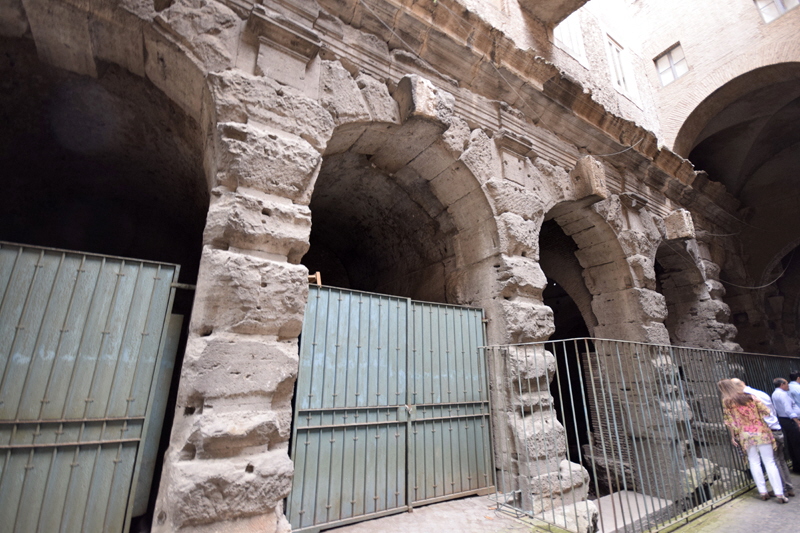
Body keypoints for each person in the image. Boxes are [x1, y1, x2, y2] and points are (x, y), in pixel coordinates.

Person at [718, 379, 787, 503]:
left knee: (753, 462)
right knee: (770, 462)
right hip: (761, 431)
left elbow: (729, 421)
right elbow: (767, 411)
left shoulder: (727, 402)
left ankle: (762, 491)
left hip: (745, 435)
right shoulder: (750, 397)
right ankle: (779, 493)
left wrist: (733, 436)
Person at [731, 378, 794, 496]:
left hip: (766, 431)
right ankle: (788, 487)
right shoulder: (759, 393)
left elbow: (764, 414)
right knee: (780, 459)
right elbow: (770, 412)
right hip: (776, 428)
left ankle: (781, 490)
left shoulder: (748, 397)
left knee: (771, 461)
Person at [772, 377, 800, 475]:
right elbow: (788, 410)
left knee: (793, 444)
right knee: (797, 444)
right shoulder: (783, 395)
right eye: (787, 384)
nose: (788, 386)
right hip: (790, 420)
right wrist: (797, 421)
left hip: (784, 420)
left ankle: (796, 466)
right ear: (782, 384)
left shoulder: (775, 394)